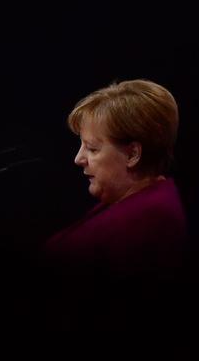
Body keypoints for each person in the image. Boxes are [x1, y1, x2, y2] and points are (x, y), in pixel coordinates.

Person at [41, 79, 188, 279]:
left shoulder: (148, 224)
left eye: (92, 148)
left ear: (132, 155)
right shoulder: (133, 201)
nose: (78, 159)